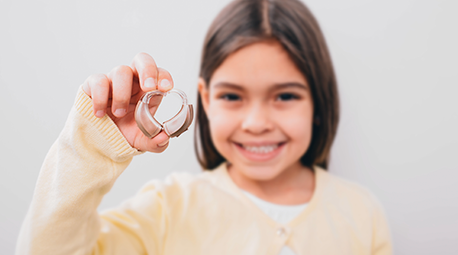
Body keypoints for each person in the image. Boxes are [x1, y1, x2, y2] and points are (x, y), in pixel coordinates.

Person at [16, 0, 392, 254]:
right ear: (206, 99)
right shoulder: (168, 208)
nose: (257, 123)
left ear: (317, 100)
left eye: (285, 96)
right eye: (232, 97)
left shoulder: (362, 213)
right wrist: (95, 144)